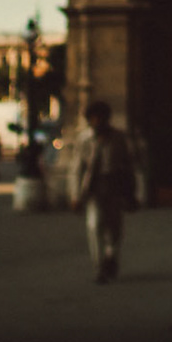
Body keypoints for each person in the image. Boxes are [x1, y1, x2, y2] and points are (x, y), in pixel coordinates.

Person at [71, 100, 137, 283]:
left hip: (114, 186)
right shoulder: (84, 139)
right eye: (93, 118)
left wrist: (132, 191)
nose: (97, 122)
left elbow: (128, 165)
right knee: (94, 225)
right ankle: (99, 267)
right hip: (94, 187)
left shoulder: (118, 138)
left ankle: (111, 255)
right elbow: (77, 168)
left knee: (114, 227)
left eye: (100, 118)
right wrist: (75, 195)